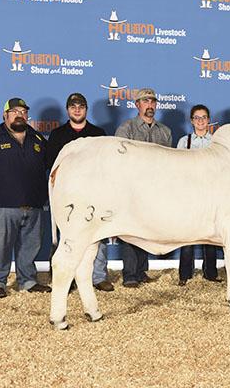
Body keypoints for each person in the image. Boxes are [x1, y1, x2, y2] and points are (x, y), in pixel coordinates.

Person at [0, 98, 51, 298]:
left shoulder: (39, 139)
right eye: (14, 111)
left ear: (27, 116)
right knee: (1, 246)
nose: (19, 115)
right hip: (4, 205)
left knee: (30, 247)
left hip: (34, 204)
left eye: (23, 111)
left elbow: (47, 167)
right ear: (5, 115)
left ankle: (28, 281)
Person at [46, 93, 114, 292]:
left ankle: (98, 276)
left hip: (94, 192)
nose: (77, 109)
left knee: (98, 233)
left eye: (81, 106)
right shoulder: (58, 135)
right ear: (67, 110)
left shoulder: (98, 133)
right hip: (68, 196)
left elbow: (106, 164)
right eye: (73, 106)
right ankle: (68, 278)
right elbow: (52, 166)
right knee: (68, 236)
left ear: (86, 109)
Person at [115, 88, 172, 288]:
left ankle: (141, 271)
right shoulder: (127, 128)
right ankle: (130, 274)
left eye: (153, 102)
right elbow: (119, 160)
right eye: (145, 101)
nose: (150, 105)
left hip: (155, 190)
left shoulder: (165, 131)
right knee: (130, 230)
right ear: (137, 105)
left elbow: (169, 163)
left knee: (147, 229)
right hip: (131, 189)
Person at [176, 104, 221, 286]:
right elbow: (177, 169)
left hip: (212, 195)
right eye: (197, 117)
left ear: (209, 120)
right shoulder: (183, 142)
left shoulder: (217, 142)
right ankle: (184, 274)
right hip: (190, 195)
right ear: (191, 120)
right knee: (187, 237)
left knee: (210, 237)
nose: (200, 121)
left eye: (204, 117)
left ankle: (210, 273)